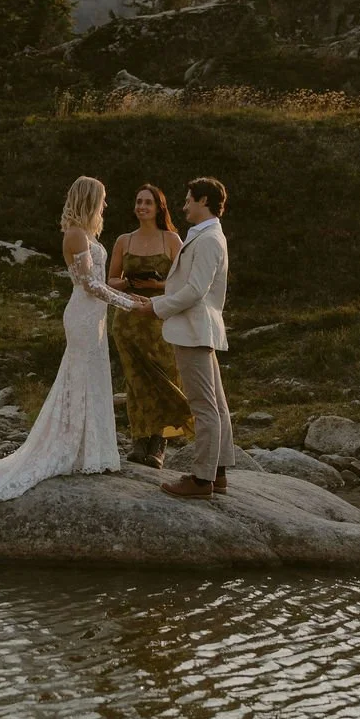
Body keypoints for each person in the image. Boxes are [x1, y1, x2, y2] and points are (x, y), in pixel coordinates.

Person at [0, 176, 136, 517]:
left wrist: (126, 289)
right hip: (82, 316)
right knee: (78, 378)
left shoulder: (88, 235)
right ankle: (73, 450)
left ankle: (91, 451)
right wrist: (128, 304)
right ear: (89, 199)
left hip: (96, 318)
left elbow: (100, 279)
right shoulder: (75, 234)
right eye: (102, 200)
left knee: (94, 377)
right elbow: (89, 284)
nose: (105, 206)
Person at [131, 176, 233, 499]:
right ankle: (218, 473)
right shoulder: (207, 236)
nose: (184, 205)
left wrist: (155, 307)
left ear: (204, 201)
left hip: (193, 330)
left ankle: (202, 480)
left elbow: (194, 291)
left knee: (204, 407)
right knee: (216, 403)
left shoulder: (208, 240)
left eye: (189, 199)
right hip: (199, 328)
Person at [108, 183, 193, 468]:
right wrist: (130, 282)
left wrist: (157, 284)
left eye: (148, 202)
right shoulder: (124, 240)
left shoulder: (172, 239)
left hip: (160, 317)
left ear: (159, 208)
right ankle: (138, 440)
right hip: (128, 318)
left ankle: (160, 441)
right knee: (135, 381)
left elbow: (185, 281)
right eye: (139, 201)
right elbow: (110, 280)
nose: (142, 207)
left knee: (163, 377)